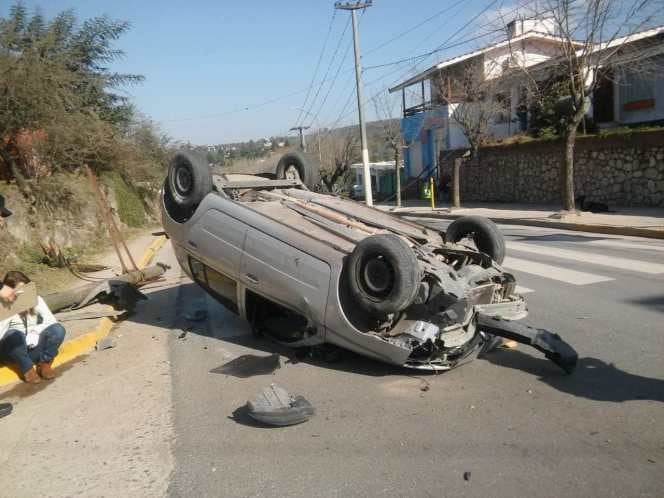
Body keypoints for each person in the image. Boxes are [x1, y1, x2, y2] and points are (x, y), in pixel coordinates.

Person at [0, 271, 66, 383]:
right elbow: (2, 336)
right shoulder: (4, 306)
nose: (23, 295)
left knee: (58, 330)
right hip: (13, 353)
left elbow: (51, 321)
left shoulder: (36, 299)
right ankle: (28, 370)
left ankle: (44, 363)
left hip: (33, 348)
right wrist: (11, 310)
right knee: (14, 335)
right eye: (18, 293)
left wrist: (34, 332)